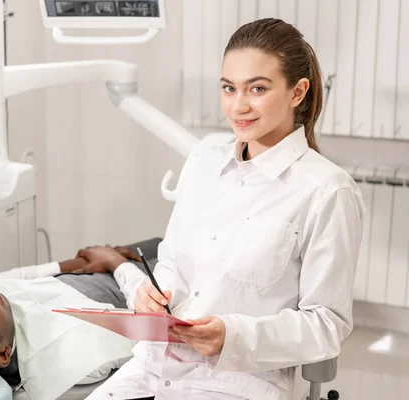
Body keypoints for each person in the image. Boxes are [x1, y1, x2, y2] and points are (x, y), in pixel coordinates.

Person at [86, 18, 366, 400]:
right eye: (228, 88)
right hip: (152, 365)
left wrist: (232, 337)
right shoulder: (204, 160)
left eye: (258, 88)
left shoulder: (327, 191)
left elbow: (326, 324)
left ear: (297, 92)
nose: (239, 106)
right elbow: (170, 261)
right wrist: (150, 295)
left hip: (239, 381)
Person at [0, 240, 159, 400]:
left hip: (85, 272)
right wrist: (115, 264)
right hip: (134, 288)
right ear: (4, 353)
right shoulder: (80, 353)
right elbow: (156, 323)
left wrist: (81, 261)